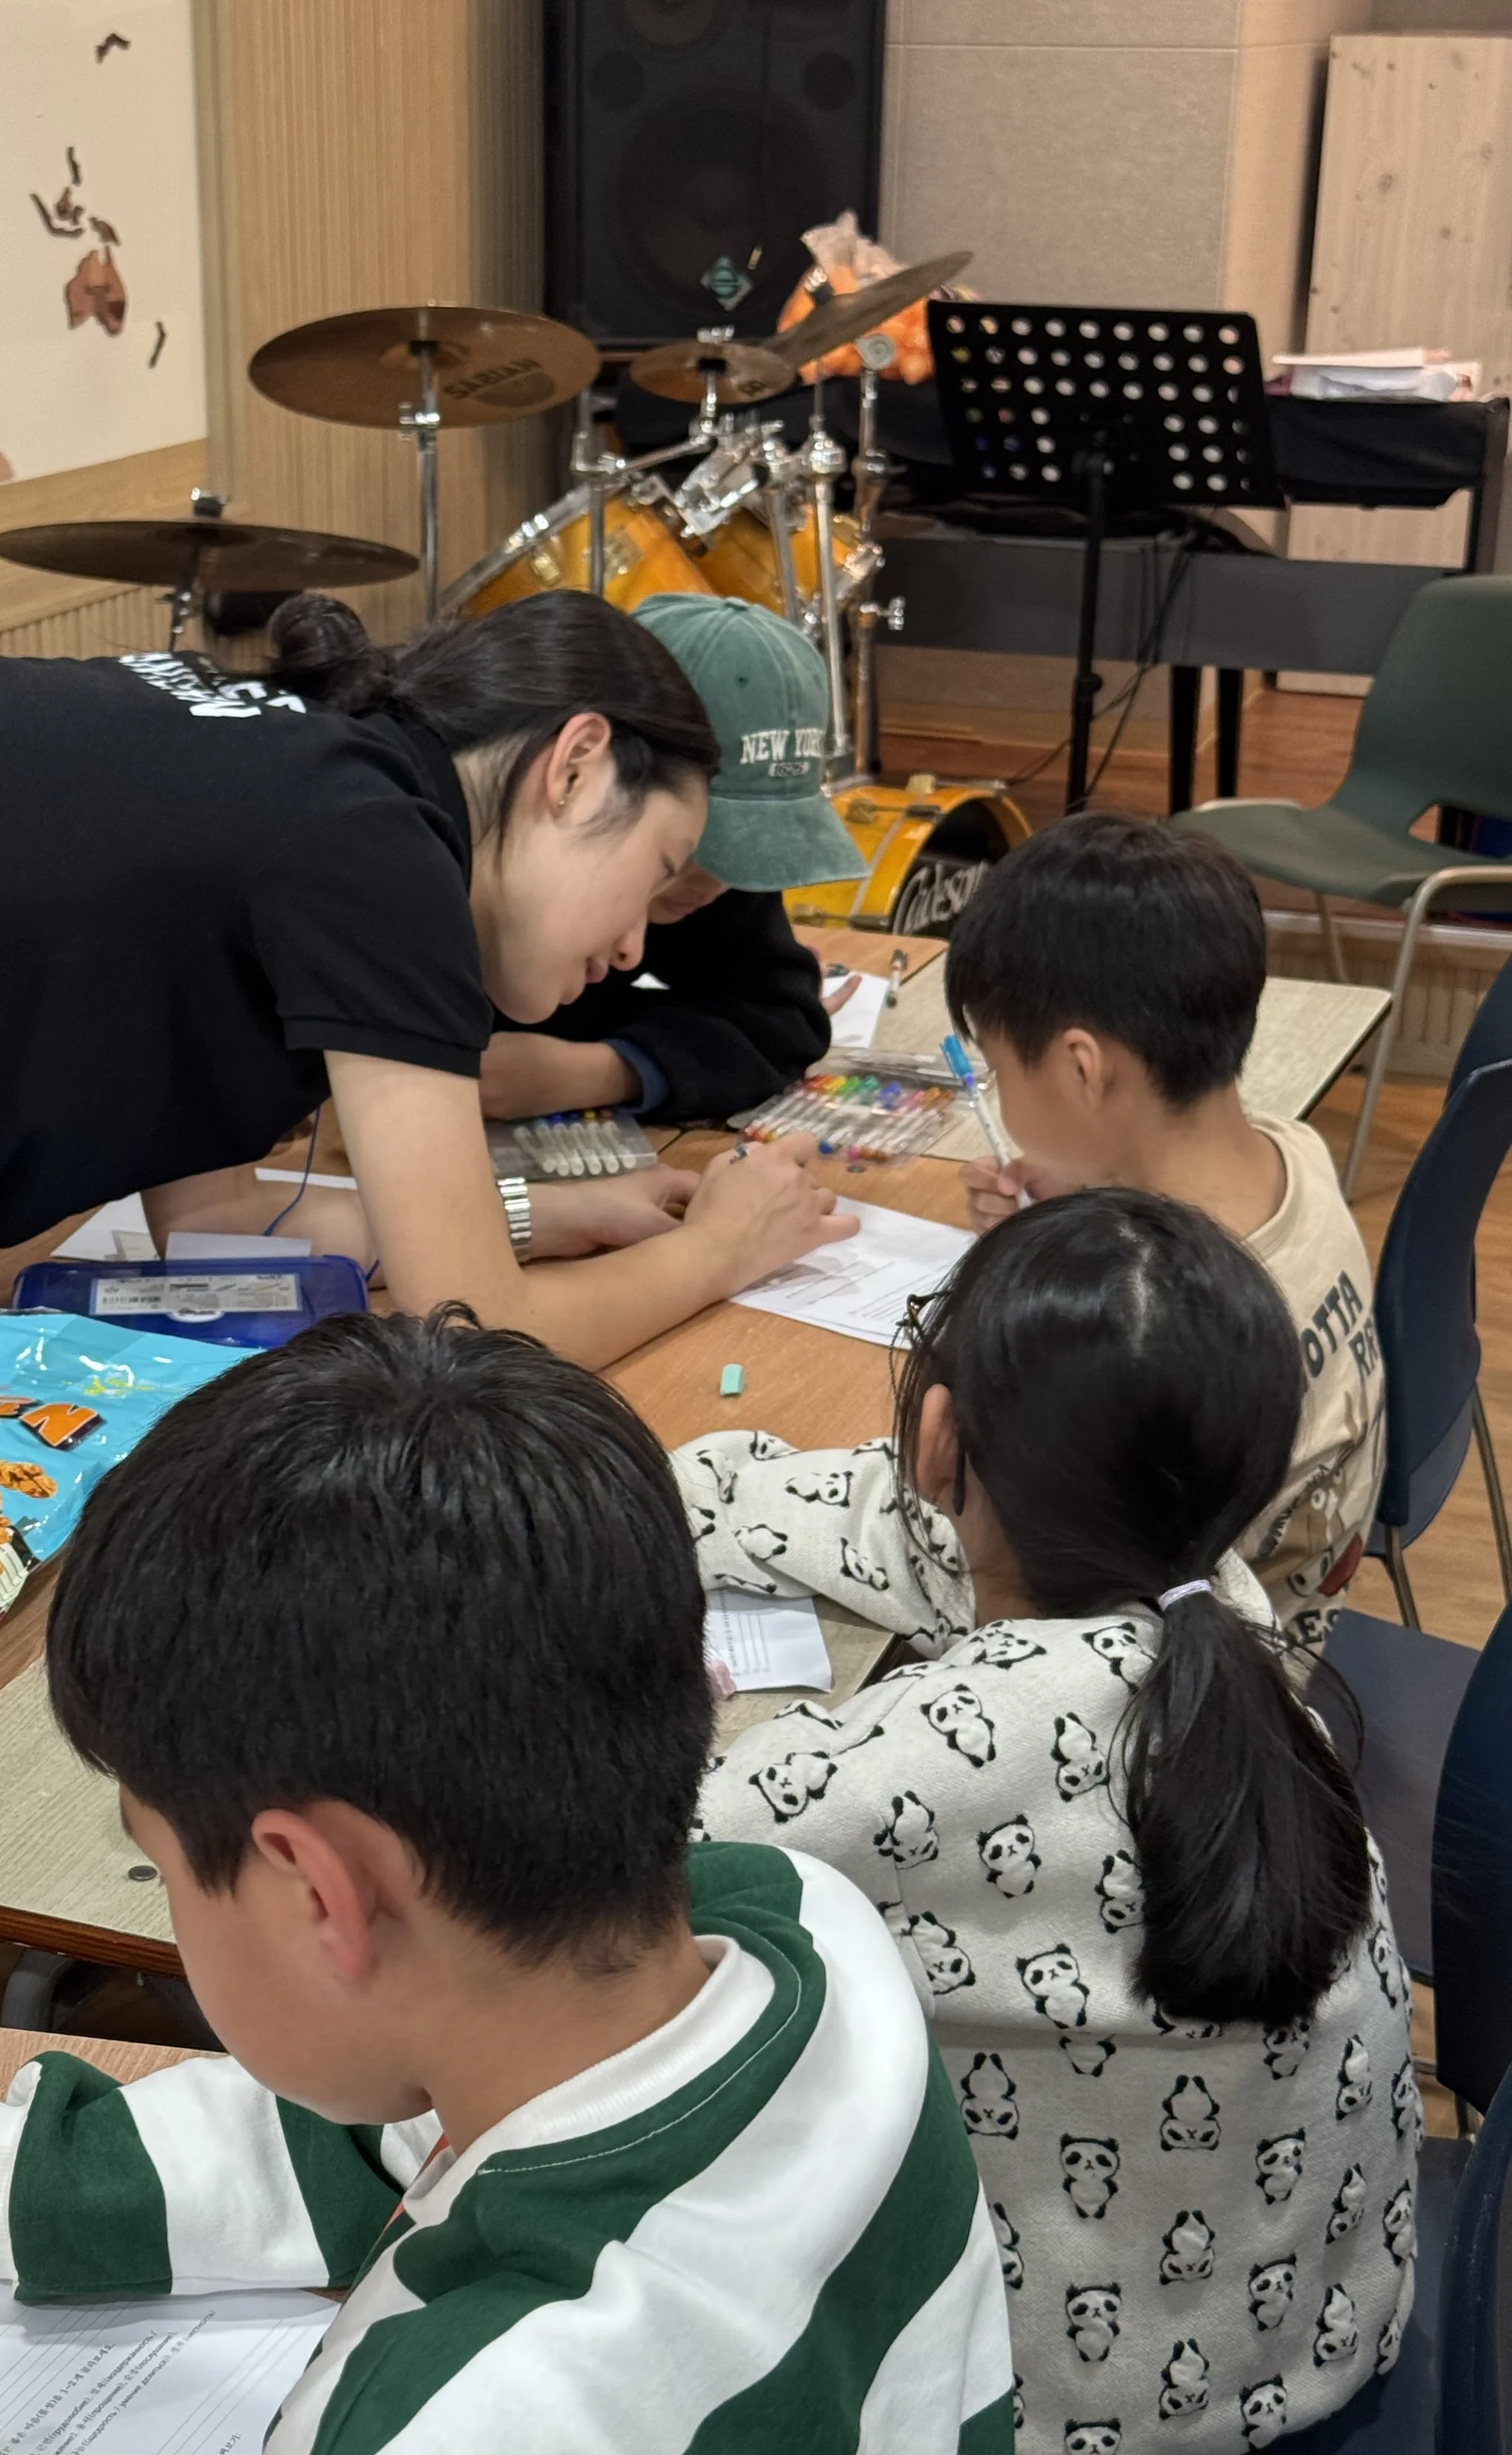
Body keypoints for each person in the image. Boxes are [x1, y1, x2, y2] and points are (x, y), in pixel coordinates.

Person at [0, 1309, 1013, 2455]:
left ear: (318, 1889)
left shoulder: (474, 2412)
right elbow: (385, 2122)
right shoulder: (793, 1924)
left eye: (159, 1863)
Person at [0, 592, 853, 1384]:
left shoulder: (298, 773)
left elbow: (220, 1231)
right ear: (576, 763)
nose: (640, 937)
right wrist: (721, 1254)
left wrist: (544, 1221)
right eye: (653, 872)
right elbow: (474, 1337)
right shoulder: (381, 852)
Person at [682, 1193, 1417, 2455]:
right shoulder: (1219, 1614)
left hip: (1096, 2417)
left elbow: (622, 1859)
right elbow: (849, 1521)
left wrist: (662, 1708)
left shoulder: (938, 1758)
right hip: (1338, 2335)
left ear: (936, 1436)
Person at [952, 813, 1381, 1649]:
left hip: (1189, 1711)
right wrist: (1088, 1200)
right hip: (1287, 1622)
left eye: (1001, 1072)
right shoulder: (1291, 1152)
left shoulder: (1160, 1336)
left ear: (1082, 1067)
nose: (1000, 1100)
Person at [478, 594, 868, 1125]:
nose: (716, 879)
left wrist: (604, 1069)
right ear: (581, 775)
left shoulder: (718, 884)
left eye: (754, 848)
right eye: (681, 853)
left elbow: (782, 1019)